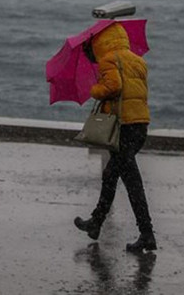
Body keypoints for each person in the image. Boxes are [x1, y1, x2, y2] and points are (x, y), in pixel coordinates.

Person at [74, 22, 157, 252]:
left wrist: (95, 90)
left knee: (132, 182)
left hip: (123, 128)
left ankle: (147, 234)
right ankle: (96, 222)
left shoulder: (109, 59)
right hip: (140, 125)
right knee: (111, 174)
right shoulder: (137, 60)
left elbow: (113, 86)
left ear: (101, 42)